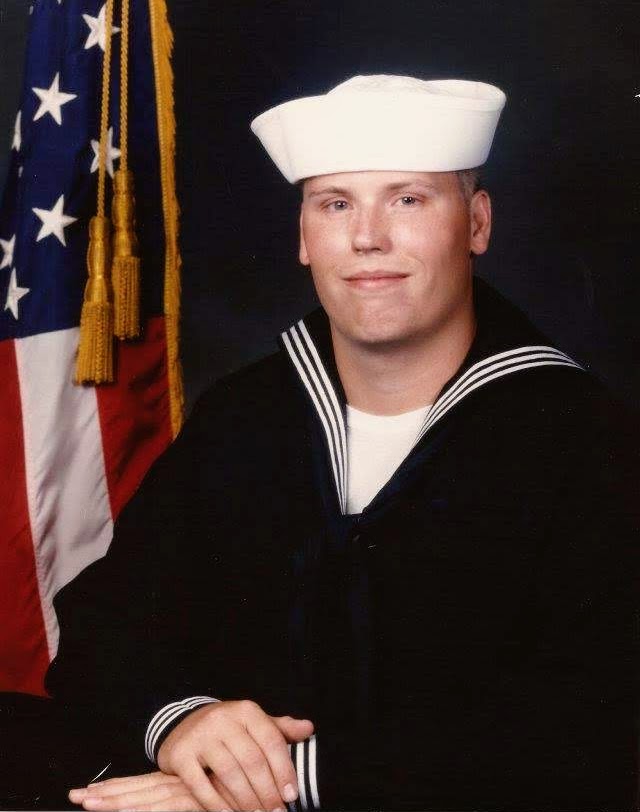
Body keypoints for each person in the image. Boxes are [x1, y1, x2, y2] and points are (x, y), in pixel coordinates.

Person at [45, 75, 638, 812]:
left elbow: (597, 721)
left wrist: (283, 785)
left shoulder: (583, 439)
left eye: (409, 199)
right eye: (335, 204)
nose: (367, 238)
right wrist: (184, 725)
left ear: (477, 223)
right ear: (304, 236)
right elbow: (107, 623)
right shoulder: (244, 418)